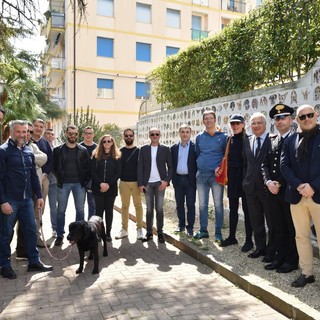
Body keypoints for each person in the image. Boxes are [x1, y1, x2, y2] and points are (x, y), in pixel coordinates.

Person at [0, 120, 53, 279]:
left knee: (30, 231)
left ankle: (34, 261)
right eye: (18, 132)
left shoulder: (29, 151)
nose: (22, 135)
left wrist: (38, 196)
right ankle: (4, 264)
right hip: (10, 201)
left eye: (25, 132)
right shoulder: (3, 151)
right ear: (11, 132)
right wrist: (3, 201)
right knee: (5, 234)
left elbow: (33, 176)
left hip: (27, 201)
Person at [281, 104, 320, 287]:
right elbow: (284, 166)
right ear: (297, 120)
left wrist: (313, 186)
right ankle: (307, 273)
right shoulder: (290, 140)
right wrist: (299, 185)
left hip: (317, 194)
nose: (306, 119)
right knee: (301, 236)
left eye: (309, 115)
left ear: (316, 115)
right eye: (302, 117)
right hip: (297, 196)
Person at [262, 104, 299, 273]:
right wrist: (269, 181)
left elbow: (294, 166)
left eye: (283, 117)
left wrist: (279, 183)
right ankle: (280, 256)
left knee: (290, 227)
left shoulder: (297, 139)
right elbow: (265, 164)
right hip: (272, 191)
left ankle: (291, 260)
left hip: (288, 191)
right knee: (278, 226)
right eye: (277, 119)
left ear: (291, 120)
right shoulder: (272, 139)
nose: (280, 121)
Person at [243, 112, 274, 261]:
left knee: (272, 222)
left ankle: (271, 250)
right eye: (253, 123)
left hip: (267, 189)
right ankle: (260, 248)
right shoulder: (248, 140)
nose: (256, 126)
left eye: (259, 123)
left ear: (265, 124)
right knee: (256, 221)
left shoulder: (272, 140)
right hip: (250, 188)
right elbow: (247, 163)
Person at [53, 125, 90, 246]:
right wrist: (59, 177)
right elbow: (54, 167)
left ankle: (79, 235)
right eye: (70, 133)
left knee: (80, 210)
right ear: (66, 134)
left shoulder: (83, 150)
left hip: (79, 184)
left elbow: (86, 167)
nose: (73, 136)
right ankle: (59, 235)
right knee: (61, 210)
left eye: (75, 134)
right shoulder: (58, 150)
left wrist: (84, 182)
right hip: (63, 184)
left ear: (78, 135)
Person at [220, 115, 253, 252]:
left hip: (245, 178)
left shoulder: (249, 140)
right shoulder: (229, 139)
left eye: (237, 123)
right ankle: (232, 237)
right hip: (233, 178)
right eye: (233, 124)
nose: (235, 126)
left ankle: (249, 240)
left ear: (243, 124)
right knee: (233, 209)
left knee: (247, 210)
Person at [193, 110, 228, 242]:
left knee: (218, 204)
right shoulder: (199, 137)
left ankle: (218, 232)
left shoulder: (223, 137)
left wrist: (220, 168)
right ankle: (203, 230)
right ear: (203, 121)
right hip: (201, 175)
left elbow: (226, 156)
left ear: (215, 120)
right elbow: (198, 154)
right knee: (202, 205)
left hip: (216, 176)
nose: (208, 121)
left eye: (210, 118)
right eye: (206, 118)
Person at [16, 122, 48, 260]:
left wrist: (29, 156)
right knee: (13, 224)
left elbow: (44, 158)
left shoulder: (32, 146)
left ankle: (26, 250)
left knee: (30, 221)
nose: (26, 134)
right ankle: (16, 252)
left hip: (33, 189)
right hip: (17, 192)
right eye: (24, 131)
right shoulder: (9, 148)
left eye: (29, 131)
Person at [137, 127, 173, 243]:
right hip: (147, 184)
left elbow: (171, 167)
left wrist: (166, 181)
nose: (154, 136)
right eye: (152, 134)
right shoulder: (143, 149)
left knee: (159, 208)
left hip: (160, 184)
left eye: (157, 134)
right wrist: (140, 184)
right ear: (149, 136)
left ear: (160, 135)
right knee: (149, 210)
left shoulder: (165, 149)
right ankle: (149, 232)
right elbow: (140, 168)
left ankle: (160, 232)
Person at [91, 134, 122, 242]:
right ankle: (99, 233)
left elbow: (118, 173)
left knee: (109, 211)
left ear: (113, 142)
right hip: (97, 188)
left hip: (111, 188)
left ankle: (108, 233)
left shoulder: (117, 156)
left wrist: (108, 184)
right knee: (99, 211)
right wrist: (101, 184)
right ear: (101, 143)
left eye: (109, 141)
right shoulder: (95, 155)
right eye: (104, 141)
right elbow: (93, 172)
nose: (107, 143)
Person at [115, 128, 144, 240]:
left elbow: (142, 168)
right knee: (124, 206)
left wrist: (142, 183)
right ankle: (124, 229)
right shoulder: (119, 151)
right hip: (123, 183)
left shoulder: (139, 151)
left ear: (134, 136)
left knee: (138, 206)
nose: (128, 137)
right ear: (124, 137)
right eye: (126, 135)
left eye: (130, 135)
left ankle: (139, 229)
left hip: (137, 183)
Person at [170, 124, 197, 237]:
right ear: (179, 133)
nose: (185, 134)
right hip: (178, 179)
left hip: (190, 180)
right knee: (179, 204)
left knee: (191, 204)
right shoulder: (174, 148)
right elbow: (171, 165)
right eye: (183, 132)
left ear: (191, 133)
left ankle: (190, 228)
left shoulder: (195, 147)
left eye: (187, 132)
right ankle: (181, 225)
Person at [32, 119, 53, 247]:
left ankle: (38, 236)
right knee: (27, 208)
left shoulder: (45, 142)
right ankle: (24, 239)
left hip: (43, 180)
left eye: (41, 126)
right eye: (36, 126)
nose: (39, 128)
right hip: (29, 181)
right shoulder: (27, 141)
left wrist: (45, 174)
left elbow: (50, 161)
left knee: (40, 208)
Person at [80, 126, 97, 219]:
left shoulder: (98, 148)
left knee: (92, 205)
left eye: (90, 133)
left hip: (93, 181)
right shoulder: (78, 147)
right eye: (86, 133)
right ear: (83, 135)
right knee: (80, 207)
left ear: (93, 135)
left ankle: (90, 228)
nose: (88, 135)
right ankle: (80, 227)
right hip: (80, 181)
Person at [44, 128, 58, 237]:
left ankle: (55, 229)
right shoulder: (39, 146)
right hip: (42, 180)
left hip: (54, 182)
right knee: (39, 207)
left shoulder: (57, 149)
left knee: (53, 206)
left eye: (51, 134)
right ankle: (36, 231)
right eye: (47, 134)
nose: (49, 136)